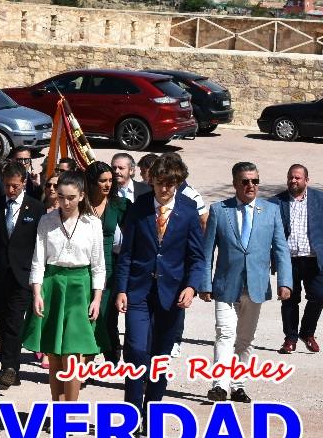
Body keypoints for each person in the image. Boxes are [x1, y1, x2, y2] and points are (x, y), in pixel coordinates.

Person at [115, 154, 206, 424]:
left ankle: (152, 411)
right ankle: (131, 414)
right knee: (136, 351)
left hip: (172, 294)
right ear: (151, 181)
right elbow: (127, 254)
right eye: (159, 183)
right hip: (138, 291)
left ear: (177, 183)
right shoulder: (139, 207)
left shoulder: (189, 211)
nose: (164, 189)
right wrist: (121, 289)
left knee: (160, 357)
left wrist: (191, 287)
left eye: (170, 184)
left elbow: (197, 258)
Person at [200, 162, 291, 403]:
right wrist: (204, 283)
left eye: (255, 181)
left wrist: (286, 281)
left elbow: (281, 249)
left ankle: (237, 385)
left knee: (245, 339)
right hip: (225, 284)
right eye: (245, 181)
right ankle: (219, 385)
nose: (251, 185)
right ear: (235, 184)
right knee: (224, 333)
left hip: (256, 285)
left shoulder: (271, 210)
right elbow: (207, 250)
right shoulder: (220, 210)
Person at [22, 171, 104, 406]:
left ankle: (71, 410)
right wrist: (37, 293)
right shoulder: (46, 221)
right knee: (54, 354)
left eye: (71, 197)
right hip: (52, 285)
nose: (65, 203)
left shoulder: (92, 223)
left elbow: (99, 266)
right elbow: (38, 261)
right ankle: (59, 409)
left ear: (81, 196)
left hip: (80, 287)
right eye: (61, 197)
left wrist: (96, 298)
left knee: (73, 355)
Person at [0, 161, 45, 390]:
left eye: (15, 186)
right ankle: (11, 369)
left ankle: (9, 368)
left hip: (23, 275)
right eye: (7, 186)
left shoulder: (36, 208)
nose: (10, 190)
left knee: (14, 322)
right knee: (2, 323)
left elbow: (40, 245)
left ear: (24, 183)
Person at [274, 164, 323, 354]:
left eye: (297, 178)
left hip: (314, 259)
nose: (293, 181)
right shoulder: (276, 202)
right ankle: (290, 338)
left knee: (319, 296)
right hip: (288, 260)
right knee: (289, 300)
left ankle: (307, 333)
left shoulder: (319, 199)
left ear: (306, 180)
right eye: (290, 177)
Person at [86, 160, 129, 363]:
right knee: (88, 315)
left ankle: (111, 352)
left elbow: (131, 239)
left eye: (111, 180)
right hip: (85, 267)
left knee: (107, 315)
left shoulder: (120, 205)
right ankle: (87, 360)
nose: (108, 185)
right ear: (92, 182)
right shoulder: (81, 204)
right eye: (103, 180)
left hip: (110, 267)